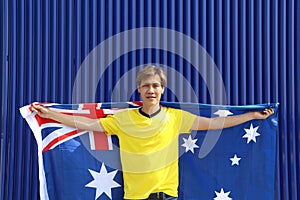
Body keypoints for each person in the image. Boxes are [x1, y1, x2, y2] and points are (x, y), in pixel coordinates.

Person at [32, 65, 274, 200]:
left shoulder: (175, 118)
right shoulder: (123, 119)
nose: (151, 90)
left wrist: (252, 116)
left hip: (167, 196)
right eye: (146, 85)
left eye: (155, 85)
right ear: (139, 89)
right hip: (135, 198)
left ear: (162, 90)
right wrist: (51, 115)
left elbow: (214, 124)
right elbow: (86, 124)